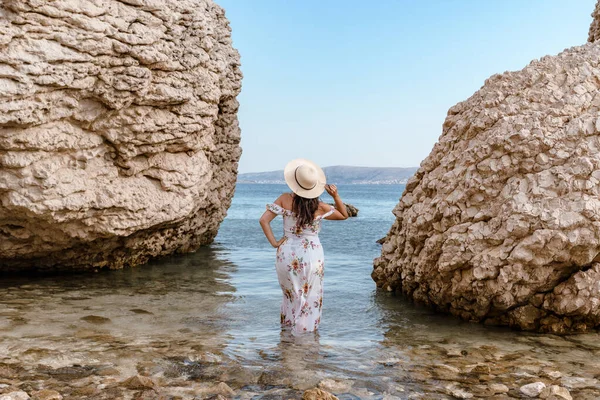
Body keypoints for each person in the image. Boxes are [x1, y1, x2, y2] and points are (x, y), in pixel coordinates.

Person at [259, 159, 348, 335]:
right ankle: (305, 336)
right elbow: (344, 215)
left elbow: (263, 220)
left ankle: (288, 334)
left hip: (286, 253)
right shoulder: (320, 207)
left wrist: (275, 243)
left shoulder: (284, 199)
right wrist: (335, 196)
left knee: (291, 295)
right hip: (312, 255)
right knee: (310, 296)